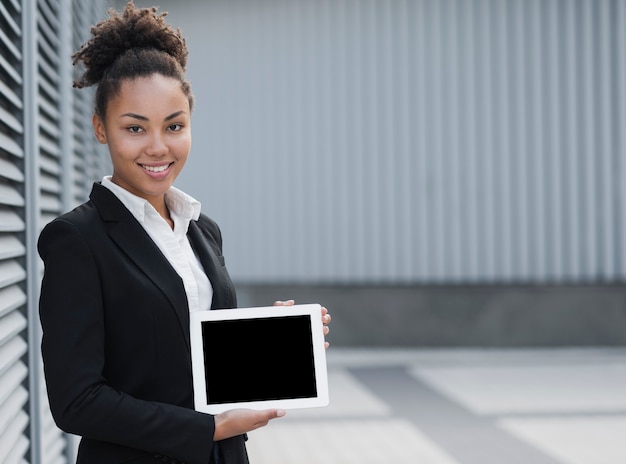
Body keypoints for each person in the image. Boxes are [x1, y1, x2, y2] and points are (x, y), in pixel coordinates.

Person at [37, 2, 331, 464]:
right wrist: (207, 429)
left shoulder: (201, 230)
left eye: (174, 126)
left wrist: (265, 340)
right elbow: (77, 401)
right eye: (135, 128)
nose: (158, 147)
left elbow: (183, 350)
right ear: (100, 129)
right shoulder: (76, 240)